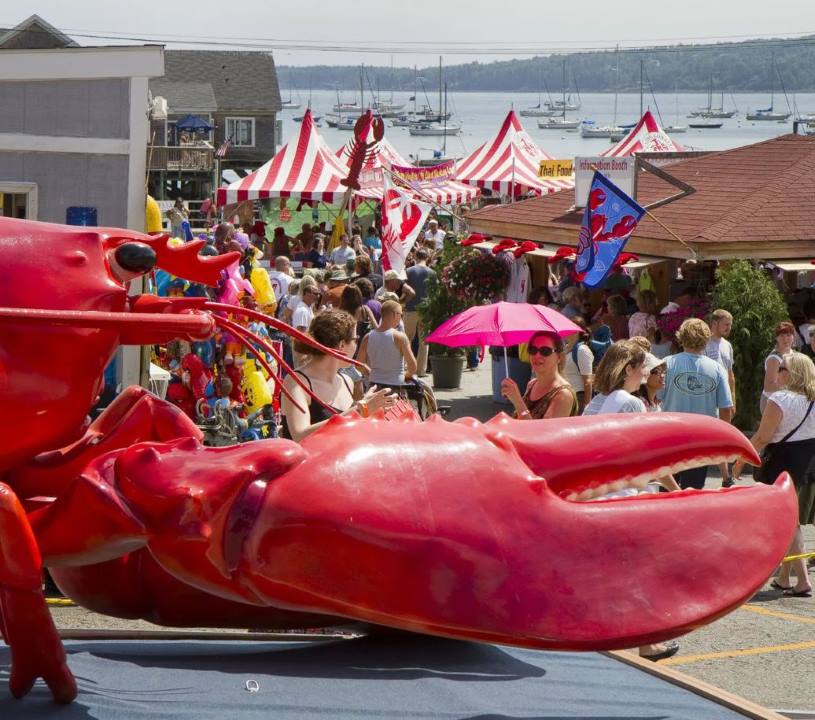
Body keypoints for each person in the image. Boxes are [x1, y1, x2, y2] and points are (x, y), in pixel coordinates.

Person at [733, 352, 815, 598]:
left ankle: (802, 580)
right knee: (795, 519)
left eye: (782, 368)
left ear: (792, 373)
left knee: (791, 522)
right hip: (810, 463)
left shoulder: (780, 398)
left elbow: (762, 437)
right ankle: (783, 578)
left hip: (784, 462)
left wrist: (741, 459)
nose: (777, 371)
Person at [280, 310, 395, 442]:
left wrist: (370, 411)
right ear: (341, 345)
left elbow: (347, 432)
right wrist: (360, 410)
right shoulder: (296, 382)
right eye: (355, 340)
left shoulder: (346, 381)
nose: (356, 345)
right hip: (309, 462)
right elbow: (300, 435)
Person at [662, 318, 733, 490]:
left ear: (681, 337)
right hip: (700, 439)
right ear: (706, 338)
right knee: (693, 491)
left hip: (669, 437)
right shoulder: (717, 369)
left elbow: (655, 398)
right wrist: (722, 438)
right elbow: (726, 408)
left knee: (666, 492)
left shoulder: (667, 363)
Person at [500, 331, 578, 420]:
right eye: (533, 350)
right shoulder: (532, 384)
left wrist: (517, 401)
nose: (537, 355)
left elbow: (542, 432)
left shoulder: (563, 394)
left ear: (559, 357)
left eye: (545, 351)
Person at [705, 309, 737, 487]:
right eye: (726, 324)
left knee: (722, 435)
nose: (729, 328)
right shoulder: (704, 343)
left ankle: (726, 476)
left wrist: (733, 397)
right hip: (708, 394)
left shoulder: (727, 345)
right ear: (715, 323)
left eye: (730, 325)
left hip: (723, 395)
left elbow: (731, 373)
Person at [357, 300, 417, 394]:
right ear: (394, 314)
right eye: (401, 314)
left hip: (374, 386)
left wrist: (371, 373)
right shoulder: (400, 337)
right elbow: (412, 366)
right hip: (395, 386)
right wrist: (405, 375)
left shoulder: (367, 337)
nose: (401, 318)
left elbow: (358, 364)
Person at [404, 248, 435, 377]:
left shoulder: (409, 271)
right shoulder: (432, 273)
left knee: (407, 341)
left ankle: (407, 368)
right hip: (425, 311)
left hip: (410, 309)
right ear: (427, 257)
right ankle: (421, 370)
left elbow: (405, 290)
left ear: (416, 256)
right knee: (424, 342)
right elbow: (434, 293)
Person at [762, 321, 797, 412]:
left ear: (793, 336)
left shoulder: (793, 353)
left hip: (786, 400)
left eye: (788, 335)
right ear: (776, 338)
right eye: (782, 336)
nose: (785, 339)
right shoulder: (774, 359)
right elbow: (768, 387)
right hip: (772, 402)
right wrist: (794, 387)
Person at [562, 316, 594, 413]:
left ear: (576, 331)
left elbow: (588, 381)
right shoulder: (566, 347)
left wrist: (586, 406)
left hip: (578, 398)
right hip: (567, 396)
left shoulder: (582, 350)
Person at [339, 284, 377, 353]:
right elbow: (376, 327)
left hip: (348, 344)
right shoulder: (364, 309)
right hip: (364, 344)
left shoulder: (341, 312)